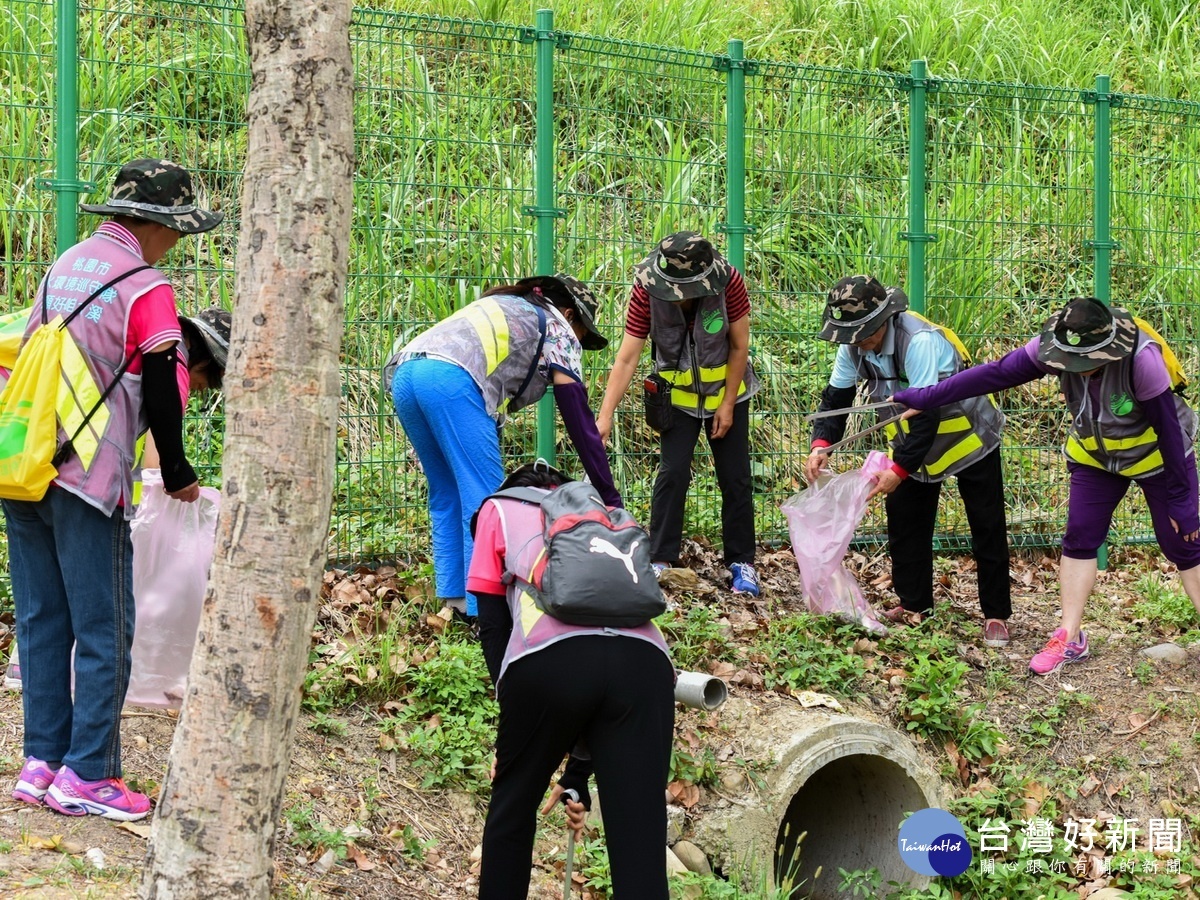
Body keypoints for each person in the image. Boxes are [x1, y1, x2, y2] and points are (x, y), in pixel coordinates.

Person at [7, 158, 222, 819]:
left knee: (44, 620)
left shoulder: (67, 263)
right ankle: (89, 775)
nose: (180, 242)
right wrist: (180, 473)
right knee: (104, 628)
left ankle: (41, 762)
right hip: (88, 477)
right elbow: (162, 385)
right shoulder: (147, 286)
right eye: (181, 230)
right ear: (160, 225)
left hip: (26, 463)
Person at [893, 296, 1200, 674]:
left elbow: (1169, 432)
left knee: (1183, 543)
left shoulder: (1142, 359)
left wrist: (1182, 501)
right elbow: (996, 372)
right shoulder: (1054, 344)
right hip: (1095, 455)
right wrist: (927, 396)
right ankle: (1070, 637)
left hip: (1156, 457)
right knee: (1080, 538)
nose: (1079, 369)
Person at [469, 462, 675, 899]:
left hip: (549, 663)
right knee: (639, 832)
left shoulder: (497, 510)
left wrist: (515, 736)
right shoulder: (603, 516)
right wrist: (579, 773)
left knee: (513, 808)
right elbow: (605, 656)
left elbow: (493, 626)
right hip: (646, 666)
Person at [386, 274, 620, 620]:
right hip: (452, 381)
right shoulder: (559, 326)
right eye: (583, 335)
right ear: (571, 315)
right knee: (486, 501)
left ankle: (456, 603)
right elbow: (580, 424)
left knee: (447, 491)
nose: (579, 343)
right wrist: (610, 499)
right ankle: (486, 614)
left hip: (407, 374)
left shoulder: (512, 306)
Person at [804, 275, 1013, 645]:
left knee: (986, 524)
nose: (857, 341)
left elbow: (927, 411)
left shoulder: (919, 341)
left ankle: (996, 614)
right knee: (905, 523)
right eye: (849, 333)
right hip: (915, 443)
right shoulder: (852, 345)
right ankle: (915, 604)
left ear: (883, 319)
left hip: (968, 437)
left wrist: (899, 470)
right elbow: (836, 398)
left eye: (863, 331)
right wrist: (821, 443)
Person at [597, 232, 760, 596]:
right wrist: (605, 415)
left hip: (728, 391)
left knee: (735, 478)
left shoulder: (728, 282)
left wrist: (728, 404)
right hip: (678, 399)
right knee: (672, 475)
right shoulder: (646, 290)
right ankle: (661, 557)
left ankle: (741, 561)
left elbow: (739, 346)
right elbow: (627, 357)